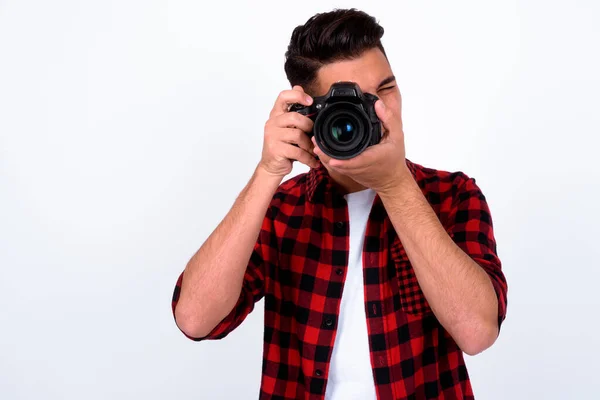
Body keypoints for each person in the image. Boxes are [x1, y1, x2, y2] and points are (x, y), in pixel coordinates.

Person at [171, 8, 508, 400]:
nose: (378, 112)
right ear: (309, 114)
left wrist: (396, 185)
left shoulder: (452, 195)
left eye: (385, 89)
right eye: (350, 104)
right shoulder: (282, 210)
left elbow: (478, 333)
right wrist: (267, 172)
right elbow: (195, 320)